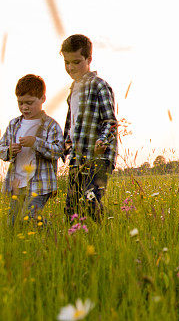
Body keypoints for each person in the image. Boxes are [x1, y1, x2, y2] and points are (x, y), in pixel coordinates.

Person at [61, 34, 118, 222]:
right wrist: (64, 147)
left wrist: (102, 140)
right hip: (78, 158)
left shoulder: (99, 86)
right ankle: (77, 242)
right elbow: (71, 124)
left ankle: (100, 237)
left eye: (76, 62)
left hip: (98, 157)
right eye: (67, 62)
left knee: (90, 200)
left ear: (89, 59)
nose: (70, 67)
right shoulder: (73, 90)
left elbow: (110, 122)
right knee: (72, 207)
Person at [0, 74, 63, 224]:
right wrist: (9, 150)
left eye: (30, 102)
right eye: (20, 103)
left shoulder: (50, 125)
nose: (24, 107)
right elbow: (0, 148)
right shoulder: (14, 124)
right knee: (12, 224)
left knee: (30, 216)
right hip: (17, 183)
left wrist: (36, 143)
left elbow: (58, 150)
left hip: (40, 184)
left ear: (43, 99)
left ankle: (54, 235)